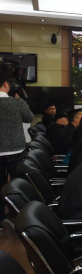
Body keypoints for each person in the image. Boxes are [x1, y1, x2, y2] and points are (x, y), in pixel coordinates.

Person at [0, 72, 34, 228]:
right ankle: (17, 217)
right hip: (16, 150)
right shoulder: (18, 103)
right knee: (17, 185)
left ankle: (1, 218)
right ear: (6, 84)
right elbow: (29, 118)